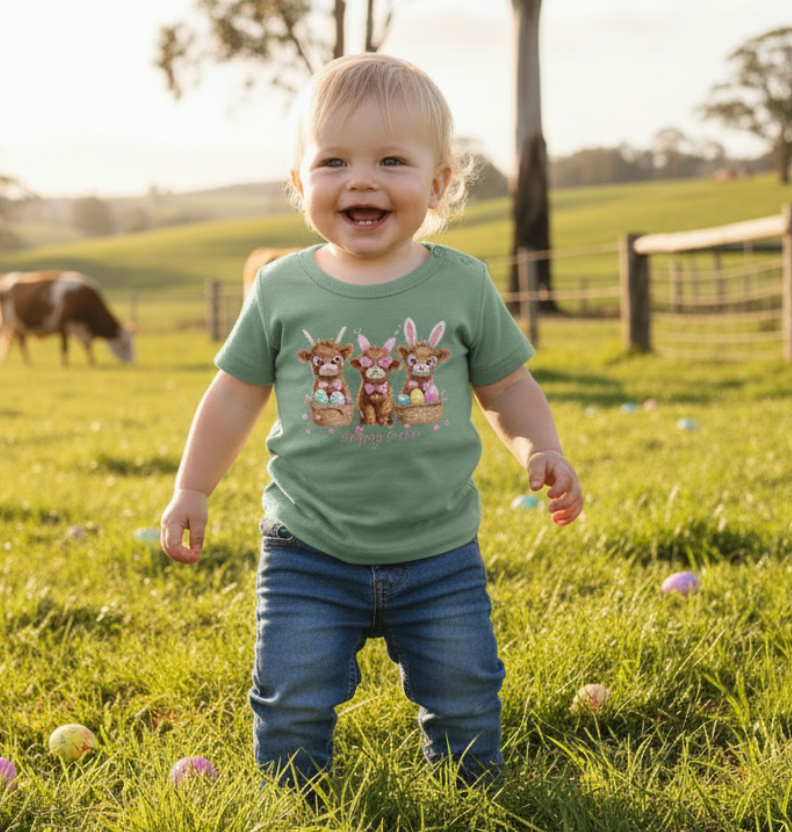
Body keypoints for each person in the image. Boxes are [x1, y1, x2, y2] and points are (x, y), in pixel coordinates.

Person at [161, 52, 583, 791]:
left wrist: (538, 446)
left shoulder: (462, 283)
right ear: (300, 184)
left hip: (440, 552)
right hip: (307, 551)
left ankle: (470, 790)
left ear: (438, 183)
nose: (361, 179)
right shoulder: (281, 288)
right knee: (290, 697)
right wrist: (193, 487)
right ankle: (296, 796)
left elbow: (506, 386)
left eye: (391, 159)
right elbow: (233, 395)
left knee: (464, 693)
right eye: (333, 161)